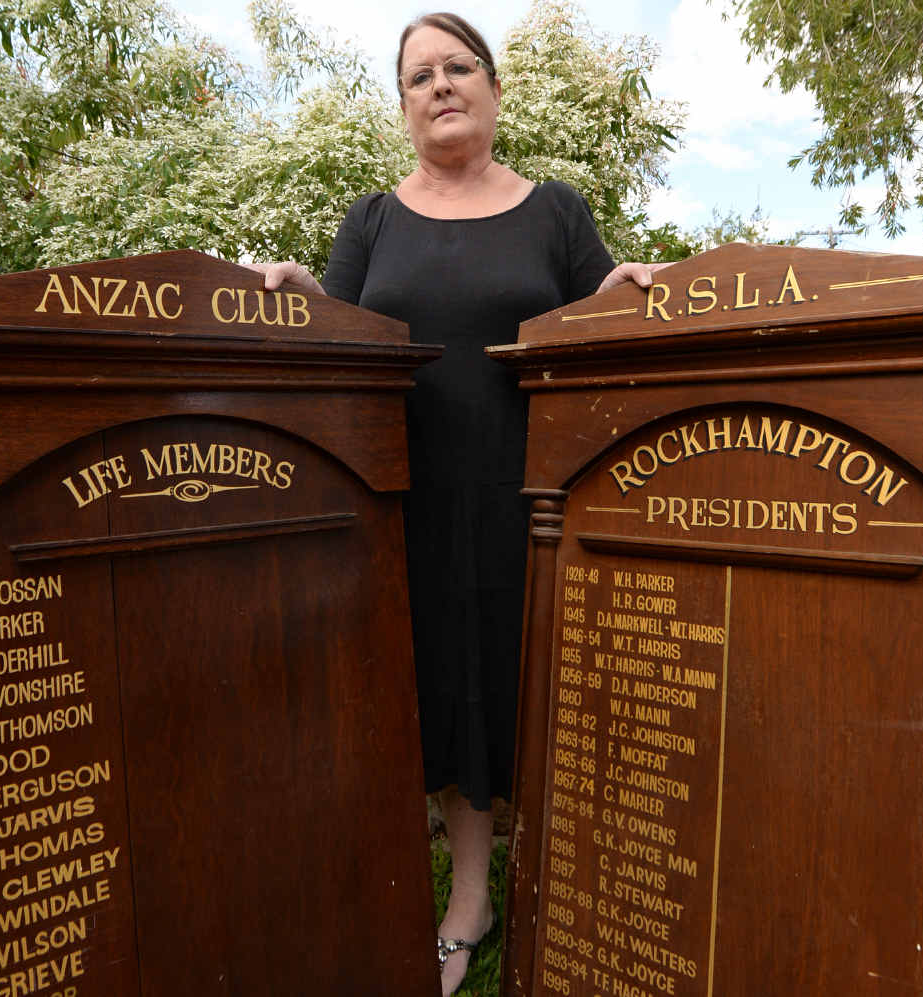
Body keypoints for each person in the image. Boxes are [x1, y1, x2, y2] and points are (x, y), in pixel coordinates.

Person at [249, 12, 667, 995]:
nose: (440, 85)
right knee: (449, 683)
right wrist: (299, 289)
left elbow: (591, 323)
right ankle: (470, 896)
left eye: (457, 67)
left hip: (538, 497)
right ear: (402, 109)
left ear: (491, 87)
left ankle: (568, 887)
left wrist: (628, 285)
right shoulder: (372, 221)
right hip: (415, 499)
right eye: (418, 76)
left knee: (546, 680)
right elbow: (344, 342)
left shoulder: (554, 210)